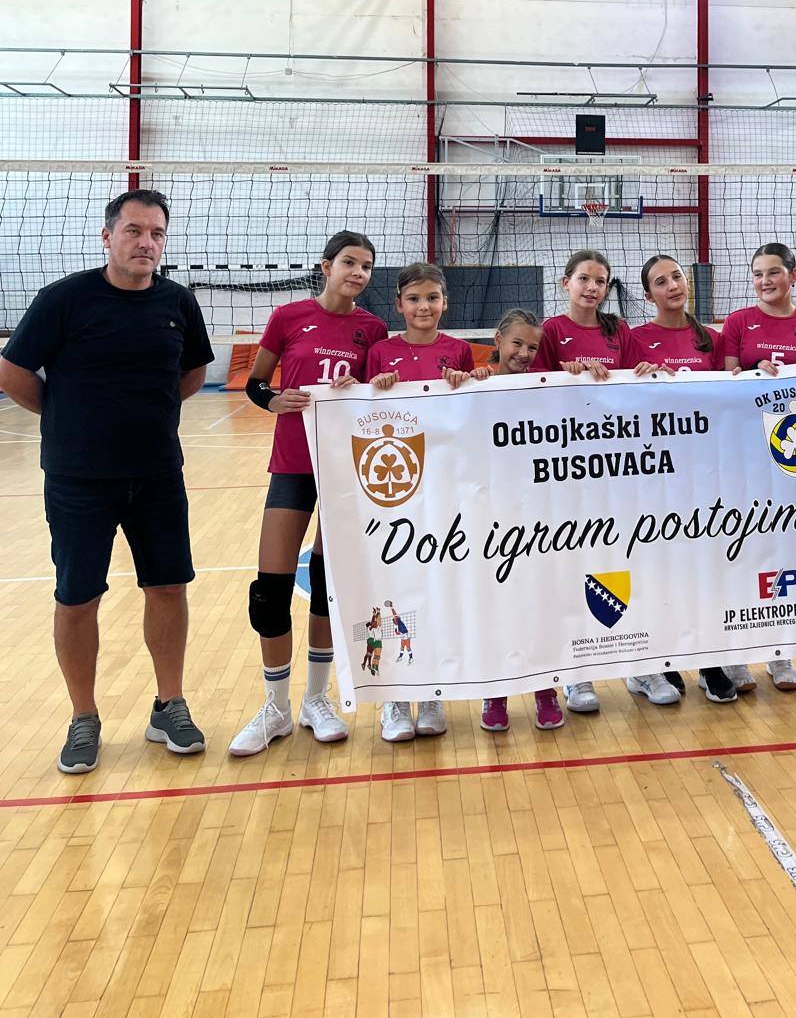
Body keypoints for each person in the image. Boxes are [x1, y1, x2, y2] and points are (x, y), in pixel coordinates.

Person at [0, 188, 213, 774]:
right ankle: (83, 717)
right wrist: (64, 415)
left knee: (168, 587)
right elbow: (13, 371)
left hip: (158, 473)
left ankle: (169, 705)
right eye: (134, 231)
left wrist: (148, 412)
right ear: (108, 236)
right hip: (78, 479)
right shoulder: (64, 299)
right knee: (78, 596)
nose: (147, 243)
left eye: (157, 234)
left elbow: (193, 371)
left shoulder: (177, 301)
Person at [227, 231, 387, 759]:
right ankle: (275, 707)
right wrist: (273, 401)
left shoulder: (372, 329)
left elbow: (379, 396)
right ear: (326, 267)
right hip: (293, 465)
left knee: (324, 582)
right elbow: (257, 383)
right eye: (349, 263)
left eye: (366, 266)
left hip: (344, 469)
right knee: (269, 589)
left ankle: (316, 701)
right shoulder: (288, 316)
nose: (357, 273)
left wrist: (367, 390)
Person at [362, 261, 490, 741]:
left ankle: (434, 691)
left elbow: (475, 411)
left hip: (444, 488)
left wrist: (475, 380)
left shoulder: (458, 350)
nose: (424, 307)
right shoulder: (380, 352)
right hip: (395, 491)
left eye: (432, 298)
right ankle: (395, 698)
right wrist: (372, 389)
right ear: (398, 304)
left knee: (439, 586)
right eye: (414, 299)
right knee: (393, 589)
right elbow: (356, 411)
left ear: (445, 303)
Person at [719, 240, 796, 695]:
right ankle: (736, 654)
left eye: (773, 272)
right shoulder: (737, 323)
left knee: (786, 552)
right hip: (744, 455)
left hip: (793, 457)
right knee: (742, 550)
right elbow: (725, 386)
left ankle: (779, 650)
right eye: (758, 274)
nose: (765, 281)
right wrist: (753, 373)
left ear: (793, 275)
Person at [628, 256, 738, 705]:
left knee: (704, 567)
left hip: (703, 469)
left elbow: (730, 396)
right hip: (652, 471)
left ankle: (710, 662)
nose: (672, 285)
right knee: (657, 568)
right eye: (660, 281)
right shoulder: (634, 339)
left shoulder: (711, 338)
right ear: (648, 294)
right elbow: (614, 400)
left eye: (676, 276)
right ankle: (661, 659)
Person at [533, 248, 638, 714]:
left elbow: (635, 389)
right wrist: (564, 376)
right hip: (565, 464)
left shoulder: (620, 331)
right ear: (566, 283)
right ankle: (577, 676)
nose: (592, 288)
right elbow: (532, 391)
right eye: (584, 279)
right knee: (572, 566)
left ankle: (639, 665)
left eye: (600, 281)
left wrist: (639, 375)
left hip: (614, 462)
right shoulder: (551, 331)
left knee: (620, 562)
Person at [478, 309, 566, 734]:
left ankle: (545, 689)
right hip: (490, 516)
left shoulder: (546, 386)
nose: (525, 353)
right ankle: (496, 692)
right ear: (498, 340)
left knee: (539, 602)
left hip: (538, 516)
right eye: (517, 344)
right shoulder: (473, 383)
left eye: (532, 347)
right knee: (497, 605)